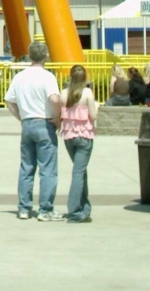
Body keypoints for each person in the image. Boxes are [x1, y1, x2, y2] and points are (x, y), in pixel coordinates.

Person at [4, 41, 63, 221]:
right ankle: (45, 209)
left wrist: (21, 118)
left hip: (28, 124)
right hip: (44, 123)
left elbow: (9, 101)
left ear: (29, 56)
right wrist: (59, 115)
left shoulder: (20, 77)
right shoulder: (47, 77)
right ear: (46, 56)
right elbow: (53, 98)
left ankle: (24, 208)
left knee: (27, 167)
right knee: (47, 169)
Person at [59, 64, 98, 223]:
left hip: (69, 136)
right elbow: (94, 116)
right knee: (78, 173)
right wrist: (96, 107)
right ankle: (75, 211)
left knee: (81, 171)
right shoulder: (87, 93)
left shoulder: (64, 93)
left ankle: (84, 207)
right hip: (84, 136)